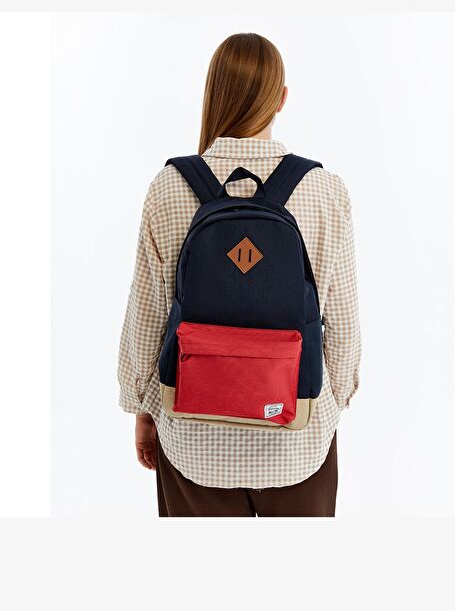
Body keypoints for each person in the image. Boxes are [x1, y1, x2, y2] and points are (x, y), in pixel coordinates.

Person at [118, 32, 361, 517]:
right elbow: (344, 325)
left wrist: (143, 407)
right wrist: (330, 402)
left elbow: (145, 320)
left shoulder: (168, 188)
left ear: (212, 93)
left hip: (194, 444)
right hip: (297, 441)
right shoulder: (325, 190)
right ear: (281, 99)